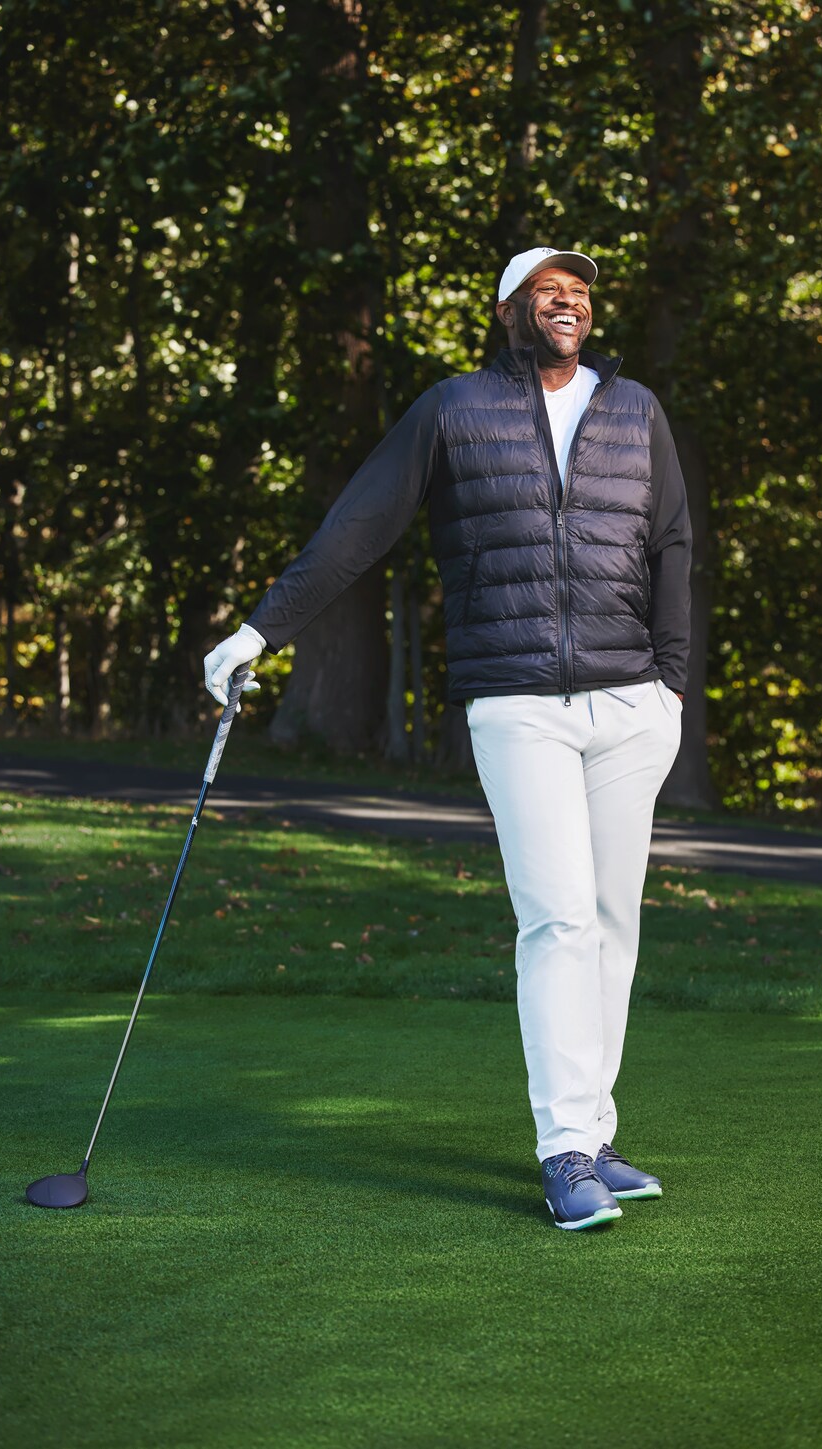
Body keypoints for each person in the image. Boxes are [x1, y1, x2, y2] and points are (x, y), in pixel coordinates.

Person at [204, 246, 692, 1231]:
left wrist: (671, 684)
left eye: (582, 291)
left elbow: (672, 540)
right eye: (549, 289)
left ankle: (593, 1133)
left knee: (610, 925)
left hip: (630, 703)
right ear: (509, 308)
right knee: (555, 918)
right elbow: (358, 527)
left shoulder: (635, 409)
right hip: (516, 706)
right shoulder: (453, 409)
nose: (570, 302)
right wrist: (261, 629)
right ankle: (563, 1153)